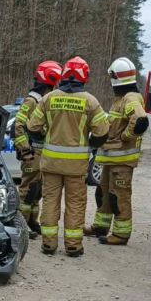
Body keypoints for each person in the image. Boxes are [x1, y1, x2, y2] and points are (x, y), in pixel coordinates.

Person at [26, 56, 109, 257]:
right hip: (76, 167)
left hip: (51, 164)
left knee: (50, 202)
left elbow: (32, 127)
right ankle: (73, 245)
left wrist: (46, 137)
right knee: (75, 204)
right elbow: (102, 132)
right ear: (84, 76)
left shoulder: (49, 98)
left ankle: (48, 244)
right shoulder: (90, 101)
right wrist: (89, 145)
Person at [84, 56, 149, 246]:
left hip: (122, 162)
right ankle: (100, 226)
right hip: (111, 161)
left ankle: (121, 235)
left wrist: (125, 137)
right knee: (103, 194)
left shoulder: (130, 98)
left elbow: (140, 120)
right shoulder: (121, 99)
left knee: (119, 196)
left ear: (116, 78)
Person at [13, 60, 62, 237]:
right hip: (32, 153)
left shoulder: (44, 99)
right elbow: (18, 125)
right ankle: (20, 226)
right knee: (27, 191)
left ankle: (32, 221)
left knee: (37, 190)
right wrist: (25, 150)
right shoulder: (32, 100)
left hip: (42, 154)